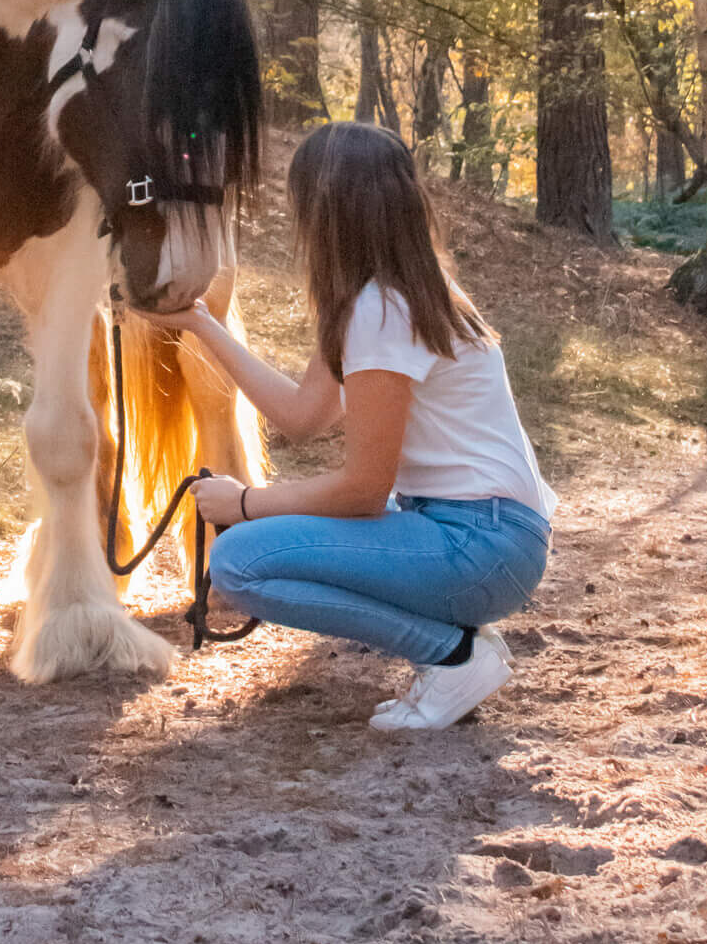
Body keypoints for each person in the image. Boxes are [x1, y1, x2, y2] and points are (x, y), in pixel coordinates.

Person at [139, 121, 555, 731]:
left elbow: (361, 491)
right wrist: (201, 324)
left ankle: (451, 653)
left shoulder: (381, 311)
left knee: (238, 564)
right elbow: (301, 417)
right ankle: (459, 644)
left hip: (481, 545)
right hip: (490, 538)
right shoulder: (392, 297)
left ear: (327, 212)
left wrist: (246, 502)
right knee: (250, 550)